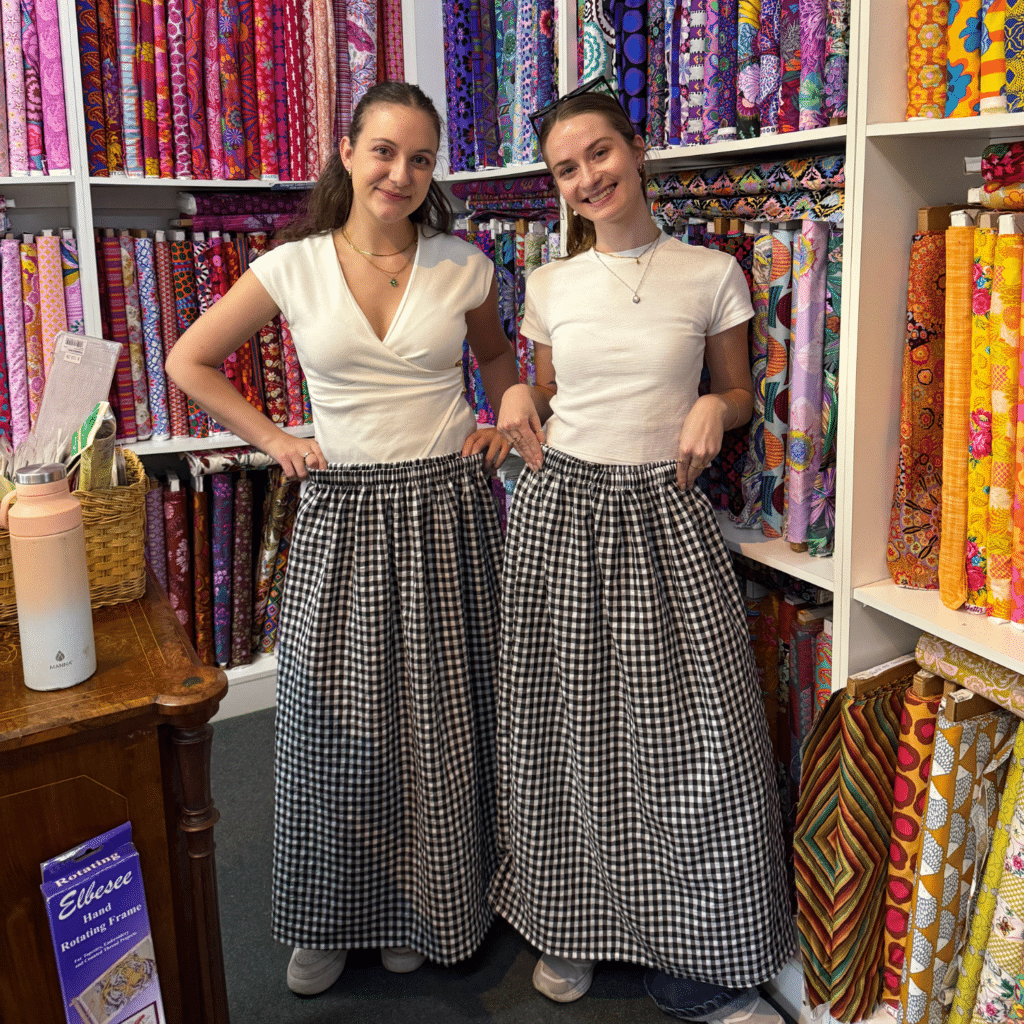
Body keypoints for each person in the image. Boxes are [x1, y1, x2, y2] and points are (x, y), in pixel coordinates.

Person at [166, 81, 518, 998]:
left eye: (420, 159)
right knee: (334, 721)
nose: (400, 174)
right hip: (347, 512)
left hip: (447, 509)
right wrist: (277, 439)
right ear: (347, 152)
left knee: (440, 720)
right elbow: (189, 361)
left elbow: (497, 363)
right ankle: (332, 913)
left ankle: (424, 906)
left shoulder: (462, 264)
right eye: (384, 152)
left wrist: (498, 417)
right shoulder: (293, 266)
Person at [492, 86, 795, 1023]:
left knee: (703, 741)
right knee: (563, 733)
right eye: (565, 169)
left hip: (664, 519)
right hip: (562, 516)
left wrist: (717, 404)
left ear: (638, 149)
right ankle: (571, 929)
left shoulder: (711, 273)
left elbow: (738, 391)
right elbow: (544, 392)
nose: (587, 178)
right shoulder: (547, 285)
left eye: (599, 154)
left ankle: (700, 955)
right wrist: (512, 400)